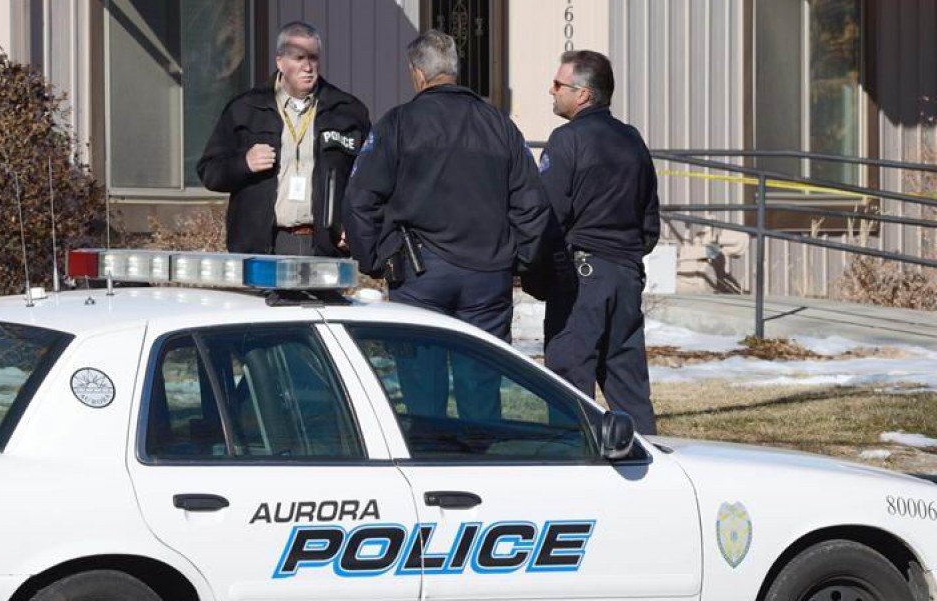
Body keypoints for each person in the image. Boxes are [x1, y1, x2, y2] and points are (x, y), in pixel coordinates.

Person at [344, 29, 558, 420]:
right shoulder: (501, 126)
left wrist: (373, 259)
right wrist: (523, 261)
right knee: (482, 378)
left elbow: (360, 198)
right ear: (454, 72)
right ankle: (481, 457)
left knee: (422, 385)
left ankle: (431, 456)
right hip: (488, 273)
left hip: (420, 271)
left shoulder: (398, 124)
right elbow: (532, 204)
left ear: (418, 75)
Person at [538, 50, 661, 435]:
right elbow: (649, 222)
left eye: (559, 85)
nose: (551, 90)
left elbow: (547, 216)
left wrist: (537, 269)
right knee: (628, 383)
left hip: (582, 275)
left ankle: (574, 469)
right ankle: (649, 460)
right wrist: (625, 258)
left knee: (569, 382)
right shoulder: (632, 140)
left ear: (584, 94)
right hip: (626, 275)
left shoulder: (566, 141)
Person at [197, 21, 370, 256]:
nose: (308, 67)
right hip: (263, 246)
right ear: (280, 61)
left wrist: (354, 224)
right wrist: (243, 163)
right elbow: (209, 172)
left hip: (323, 246)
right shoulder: (246, 109)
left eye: (313, 58)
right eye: (299, 58)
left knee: (324, 295)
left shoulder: (346, 111)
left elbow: (367, 179)